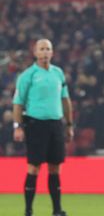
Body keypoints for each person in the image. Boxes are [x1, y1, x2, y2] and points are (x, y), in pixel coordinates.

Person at [12, 39, 73, 216]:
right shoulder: (27, 75)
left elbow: (65, 100)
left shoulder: (58, 73)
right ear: (35, 53)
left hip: (56, 124)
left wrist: (69, 124)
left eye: (48, 49)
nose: (45, 52)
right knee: (34, 167)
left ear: (52, 53)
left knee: (55, 167)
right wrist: (18, 126)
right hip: (35, 124)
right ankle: (28, 210)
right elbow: (18, 103)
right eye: (42, 49)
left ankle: (57, 210)